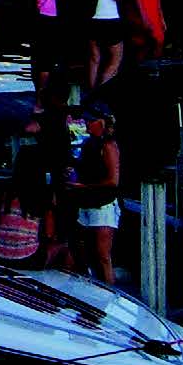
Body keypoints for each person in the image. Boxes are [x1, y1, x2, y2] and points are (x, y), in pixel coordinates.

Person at [75, 105, 121, 284]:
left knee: (103, 255)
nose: (86, 123)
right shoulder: (88, 144)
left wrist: (85, 185)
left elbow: (113, 180)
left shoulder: (108, 145)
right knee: (83, 249)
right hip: (86, 202)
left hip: (103, 204)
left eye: (90, 120)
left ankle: (110, 290)